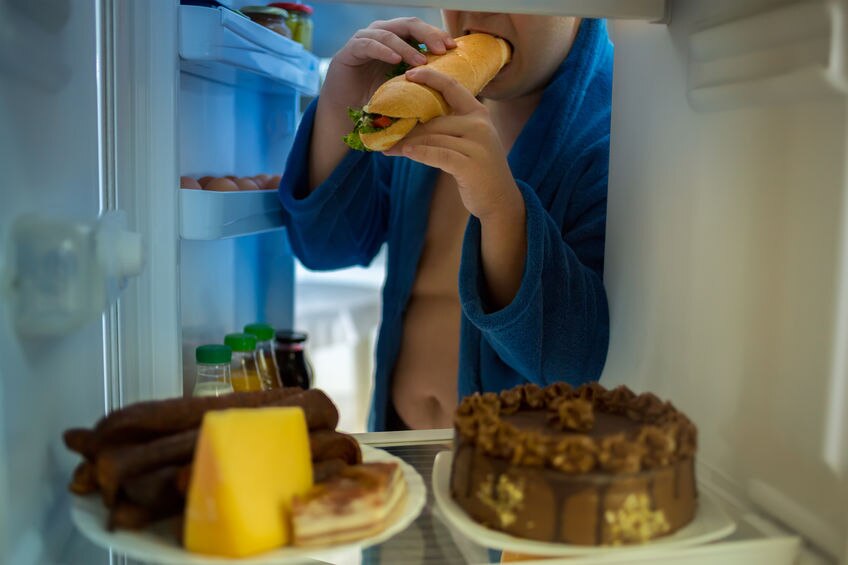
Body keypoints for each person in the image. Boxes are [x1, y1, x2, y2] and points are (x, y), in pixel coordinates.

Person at [279, 11, 612, 431]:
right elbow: (326, 250)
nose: (478, 12)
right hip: (398, 442)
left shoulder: (615, 131)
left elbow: (576, 363)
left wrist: (501, 208)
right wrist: (339, 107)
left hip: (523, 474)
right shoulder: (418, 94)